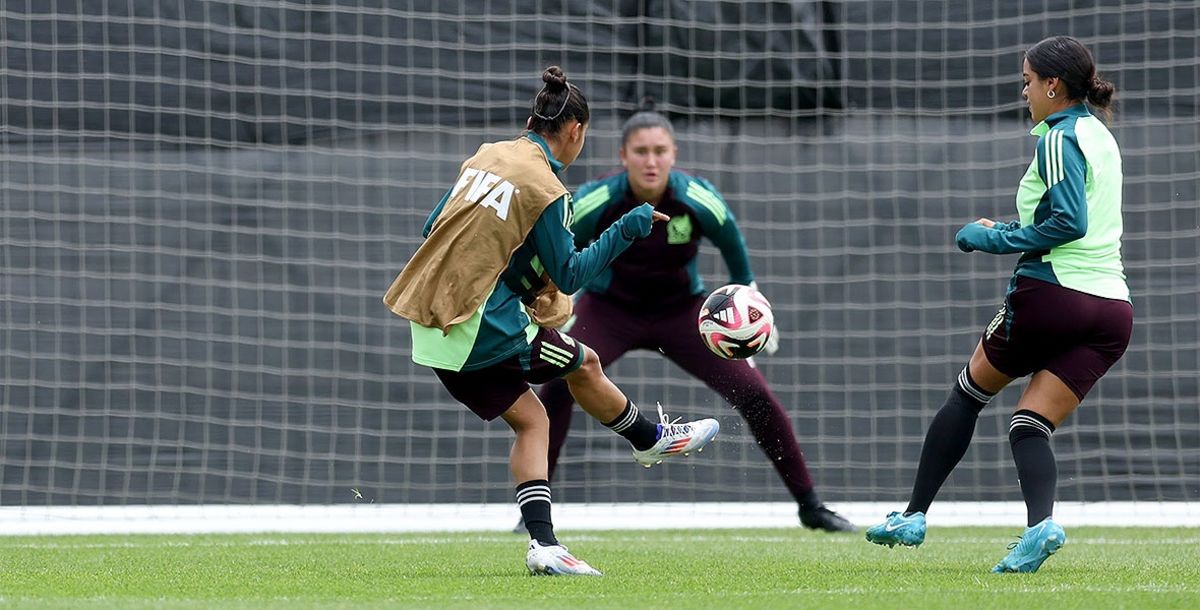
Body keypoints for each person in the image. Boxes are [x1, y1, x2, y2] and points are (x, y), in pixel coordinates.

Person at [383, 67, 721, 577]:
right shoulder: (545, 188)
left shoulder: (487, 155)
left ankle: (543, 546)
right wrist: (626, 227)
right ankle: (651, 440)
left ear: (530, 121)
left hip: (432, 327)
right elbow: (569, 272)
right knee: (584, 361)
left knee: (532, 419)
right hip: (478, 325)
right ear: (576, 131)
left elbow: (435, 226)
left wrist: (507, 266)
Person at [513, 99, 855, 534]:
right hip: (609, 309)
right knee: (558, 389)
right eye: (641, 151)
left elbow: (734, 247)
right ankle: (533, 519)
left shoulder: (697, 197)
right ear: (623, 157)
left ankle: (810, 505)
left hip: (684, 314)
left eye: (660, 151)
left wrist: (751, 300)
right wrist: (547, 303)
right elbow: (554, 249)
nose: (651, 161)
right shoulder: (596, 198)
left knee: (756, 396)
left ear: (673, 155)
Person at [865, 36, 1131, 574]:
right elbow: (1072, 224)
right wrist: (1008, 227)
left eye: (1028, 81)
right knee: (1030, 423)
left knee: (967, 394)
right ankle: (1040, 527)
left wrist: (989, 239)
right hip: (1112, 310)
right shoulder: (1101, 136)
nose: (1024, 91)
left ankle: (913, 516)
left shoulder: (1058, 137)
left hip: (1053, 294)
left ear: (1053, 86)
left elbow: (1067, 224)